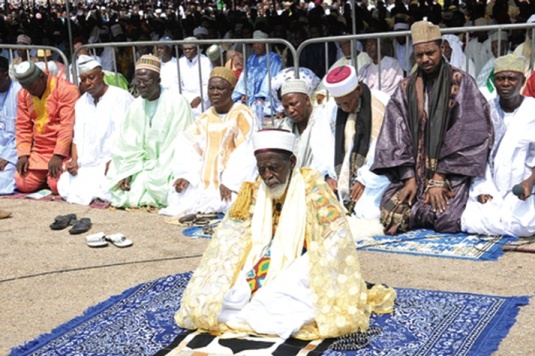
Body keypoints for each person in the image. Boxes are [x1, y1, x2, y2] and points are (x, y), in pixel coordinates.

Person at [175, 129, 396, 340]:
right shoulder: (252, 191)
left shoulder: (313, 189)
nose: (267, 176)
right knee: (222, 296)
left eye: (273, 168)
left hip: (304, 260)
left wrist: (312, 254)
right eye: (262, 169)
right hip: (260, 259)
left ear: (291, 163)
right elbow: (230, 237)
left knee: (278, 296)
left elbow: (336, 238)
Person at [371, 21, 493, 235]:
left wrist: (439, 177)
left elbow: (468, 134)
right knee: (390, 209)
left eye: (430, 53)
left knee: (447, 218)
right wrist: (409, 177)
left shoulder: (461, 82)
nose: (425, 59)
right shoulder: (405, 88)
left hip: (450, 171)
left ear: (442, 49)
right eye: (419, 55)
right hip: (414, 170)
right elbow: (396, 134)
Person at [161, 67, 259, 217]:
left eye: (220, 88)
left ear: (231, 90)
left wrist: (230, 182)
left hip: (230, 181)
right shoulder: (205, 117)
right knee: (176, 197)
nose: (214, 92)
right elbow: (188, 146)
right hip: (204, 180)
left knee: (230, 201)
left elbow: (246, 153)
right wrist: (186, 175)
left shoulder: (243, 114)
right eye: (211, 88)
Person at [106, 55, 194, 208]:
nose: (141, 85)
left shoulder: (177, 103)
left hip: (168, 166)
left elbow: (179, 145)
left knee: (173, 192)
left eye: (146, 81)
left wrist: (156, 170)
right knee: (115, 179)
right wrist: (129, 171)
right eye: (138, 81)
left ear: (158, 80)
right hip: (141, 166)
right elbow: (127, 144)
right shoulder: (136, 106)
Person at [462, 54, 535, 237]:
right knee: (470, 221)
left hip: (522, 186)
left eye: (512, 78)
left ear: (522, 81)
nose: (505, 83)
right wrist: (482, 189)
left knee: (525, 225)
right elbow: (478, 156)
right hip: (491, 185)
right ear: (494, 81)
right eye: (501, 78)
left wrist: (528, 183)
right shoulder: (486, 110)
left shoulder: (532, 110)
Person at [57, 56, 134, 205]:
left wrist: (115, 160)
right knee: (63, 182)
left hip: (114, 161)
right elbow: (77, 138)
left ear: (102, 76)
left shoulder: (121, 97)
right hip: (88, 164)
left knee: (111, 186)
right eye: (83, 79)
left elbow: (129, 135)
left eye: (91, 78)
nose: (87, 83)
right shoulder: (81, 103)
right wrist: (74, 161)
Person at [323, 65, 390, 220]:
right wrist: (328, 175)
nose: (344, 108)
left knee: (369, 213)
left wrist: (365, 178)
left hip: (377, 174)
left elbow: (385, 149)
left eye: (348, 102)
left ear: (358, 90)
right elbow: (323, 145)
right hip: (341, 176)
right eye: (340, 104)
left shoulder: (381, 102)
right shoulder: (332, 110)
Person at [14, 61, 79, 194]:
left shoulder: (66, 89)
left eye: (32, 87)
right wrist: (23, 155)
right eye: (26, 88)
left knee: (57, 186)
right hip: (39, 151)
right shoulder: (24, 94)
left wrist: (58, 155)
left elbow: (68, 126)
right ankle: (45, 177)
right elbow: (22, 126)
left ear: (42, 77)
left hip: (63, 151)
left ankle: (49, 178)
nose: (30, 91)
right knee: (22, 183)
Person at [277, 79, 334, 179]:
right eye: (286, 107)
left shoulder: (324, 117)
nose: (290, 110)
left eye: (293, 104)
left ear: (307, 100)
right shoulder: (285, 126)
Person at [232, 30, 283, 117]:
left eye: (259, 43)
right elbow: (244, 77)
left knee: (262, 108)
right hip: (249, 96)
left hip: (266, 98)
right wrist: (243, 93)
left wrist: (261, 96)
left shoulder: (274, 59)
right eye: (254, 43)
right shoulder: (251, 58)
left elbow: (270, 78)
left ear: (266, 44)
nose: (256, 46)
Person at [0, 57, 22, 194]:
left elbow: (24, 132)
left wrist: (7, 157)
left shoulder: (20, 93)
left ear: (5, 75)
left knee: (4, 180)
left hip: (13, 154)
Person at [179, 37, 213, 118]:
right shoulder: (180, 62)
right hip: (184, 96)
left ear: (197, 49)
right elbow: (178, 83)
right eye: (185, 49)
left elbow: (208, 83)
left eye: (190, 49)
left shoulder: (205, 61)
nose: (187, 51)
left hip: (201, 97)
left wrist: (200, 98)